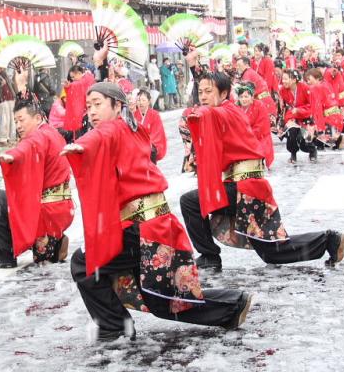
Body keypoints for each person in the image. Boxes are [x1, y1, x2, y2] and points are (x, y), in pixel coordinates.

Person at [62, 81, 253, 341]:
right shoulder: (133, 128)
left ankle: (114, 327)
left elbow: (100, 136)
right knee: (164, 298)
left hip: (142, 229)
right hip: (149, 226)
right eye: (89, 106)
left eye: (98, 104)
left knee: (84, 265)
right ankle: (232, 305)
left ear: (118, 106)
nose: (92, 111)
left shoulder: (113, 130)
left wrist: (82, 145)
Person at [180, 70, 344, 269]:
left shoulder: (223, 111)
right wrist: (194, 68)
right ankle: (327, 240)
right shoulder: (226, 110)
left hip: (246, 188)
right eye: (201, 92)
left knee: (190, 202)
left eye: (209, 91)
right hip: (243, 185)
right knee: (272, 251)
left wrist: (196, 112)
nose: (204, 96)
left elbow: (207, 112)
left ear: (224, 94)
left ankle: (210, 256)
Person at [0, 93, 74, 268]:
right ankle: (53, 240)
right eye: (16, 121)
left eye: (21, 120)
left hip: (45, 210)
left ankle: (6, 253)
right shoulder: (51, 132)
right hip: (61, 207)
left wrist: (12, 155)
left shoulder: (37, 137)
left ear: (38, 118)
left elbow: (24, 148)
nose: (18, 126)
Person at [279, 69, 318, 164]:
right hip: (292, 116)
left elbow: (312, 105)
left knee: (303, 139)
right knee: (291, 133)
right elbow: (282, 108)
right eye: (282, 79)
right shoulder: (282, 90)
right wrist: (281, 123)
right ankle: (293, 154)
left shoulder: (305, 88)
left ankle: (312, 151)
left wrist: (299, 110)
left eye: (285, 79)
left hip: (306, 117)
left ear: (294, 80)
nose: (283, 81)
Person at [236, 82, 274, 168]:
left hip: (259, 137)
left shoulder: (260, 106)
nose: (243, 99)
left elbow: (262, 126)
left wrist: (248, 135)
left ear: (252, 97)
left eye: (246, 96)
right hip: (243, 137)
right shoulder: (236, 108)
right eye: (241, 97)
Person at [237, 56, 277, 123]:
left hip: (263, 103)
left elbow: (245, 93)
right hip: (264, 101)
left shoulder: (247, 74)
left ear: (246, 65)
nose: (237, 67)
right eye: (237, 65)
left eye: (239, 65)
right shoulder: (249, 72)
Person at [133, 89, 167, 163]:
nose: (140, 103)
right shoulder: (134, 115)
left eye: (143, 100)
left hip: (150, 150)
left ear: (148, 102)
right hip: (137, 151)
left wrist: (146, 145)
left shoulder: (154, 115)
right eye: (138, 100)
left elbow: (157, 133)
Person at [63, 64, 95, 137]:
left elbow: (78, 85)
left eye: (73, 77)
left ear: (79, 73)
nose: (73, 80)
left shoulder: (83, 80)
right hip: (88, 110)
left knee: (82, 135)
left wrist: (69, 87)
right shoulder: (89, 77)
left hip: (85, 113)